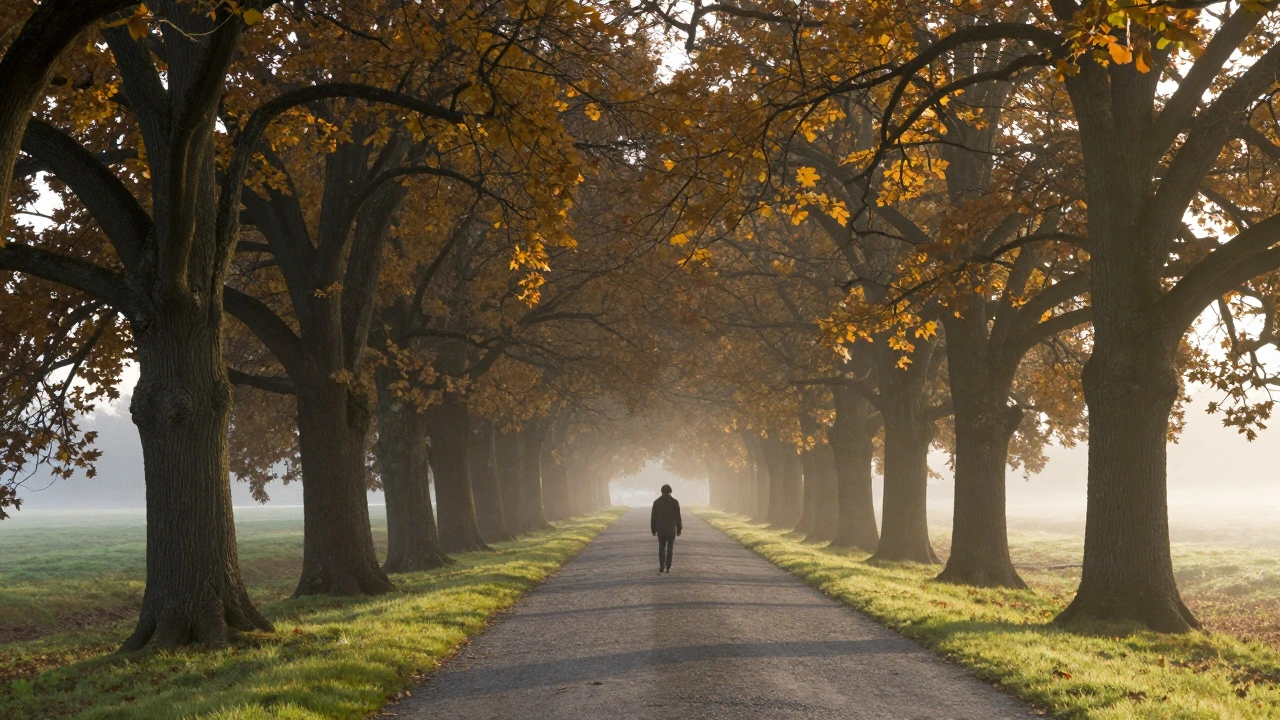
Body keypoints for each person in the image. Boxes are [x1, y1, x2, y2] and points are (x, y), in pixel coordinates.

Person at [651, 484, 682, 573]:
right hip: (671, 528)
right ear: (670, 491)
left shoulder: (656, 502)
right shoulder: (675, 502)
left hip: (660, 528)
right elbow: (678, 517)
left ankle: (662, 564)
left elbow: (653, 517)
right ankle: (668, 565)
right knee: (670, 547)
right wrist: (679, 528)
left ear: (661, 491)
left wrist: (653, 529)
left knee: (661, 546)